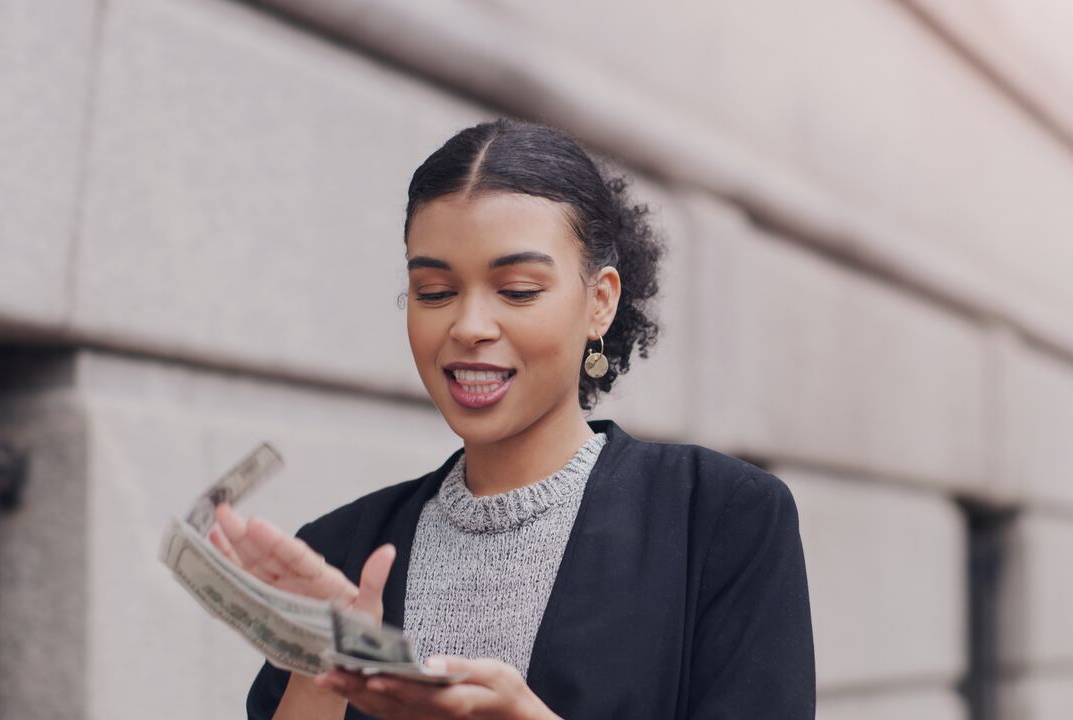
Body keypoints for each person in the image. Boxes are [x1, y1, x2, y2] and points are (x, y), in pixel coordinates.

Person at [210, 117, 815, 720]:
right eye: (435, 292)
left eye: (519, 290)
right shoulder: (340, 553)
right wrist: (320, 671)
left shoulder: (719, 518)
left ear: (599, 302)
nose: (469, 327)